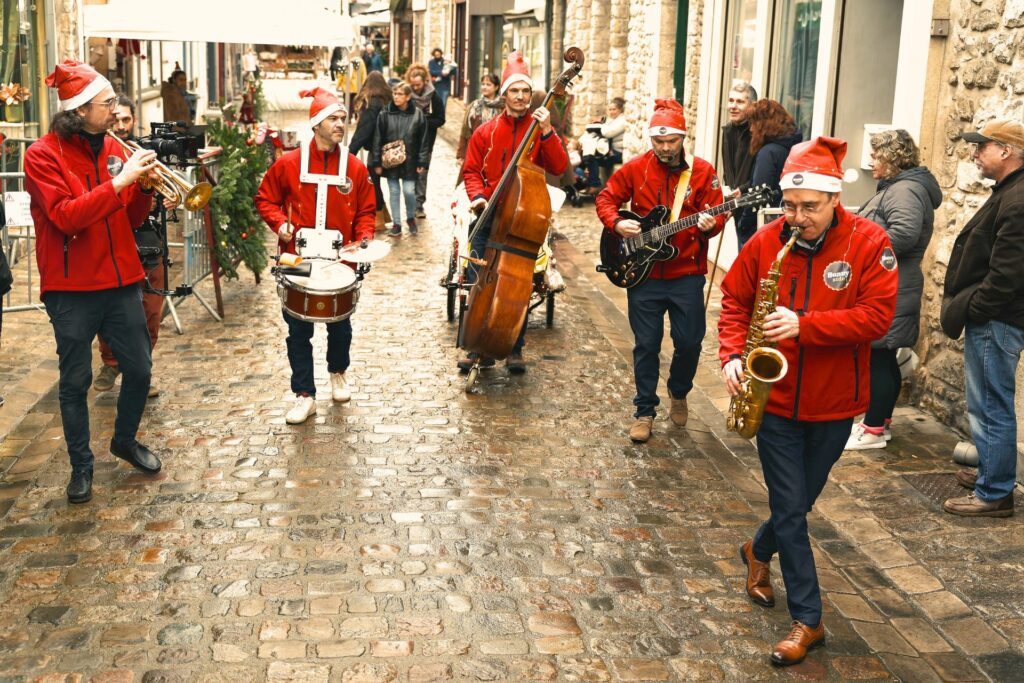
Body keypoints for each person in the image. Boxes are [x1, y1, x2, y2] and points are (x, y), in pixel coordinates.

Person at [719, 137, 897, 666]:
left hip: (836, 401)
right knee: (792, 510)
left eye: (809, 208)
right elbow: (734, 299)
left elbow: (877, 318)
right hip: (773, 402)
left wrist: (805, 326)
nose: (795, 218)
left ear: (835, 199)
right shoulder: (769, 240)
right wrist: (731, 354)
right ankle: (808, 619)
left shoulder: (870, 243)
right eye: (789, 206)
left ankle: (757, 549)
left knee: (797, 503)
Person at [24, 60, 166, 504]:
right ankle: (81, 466)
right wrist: (121, 180)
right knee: (75, 381)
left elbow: (128, 219)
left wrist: (142, 188)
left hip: (120, 278)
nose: (115, 110)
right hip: (71, 288)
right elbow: (67, 217)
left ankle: (124, 440)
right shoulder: (40, 155)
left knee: (139, 369)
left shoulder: (113, 147)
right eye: (107, 104)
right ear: (81, 110)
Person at [596, 99, 725, 443]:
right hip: (644, 275)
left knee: (690, 341)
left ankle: (679, 390)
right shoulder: (635, 169)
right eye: (659, 141)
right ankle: (644, 411)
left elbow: (717, 215)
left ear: (683, 137)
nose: (665, 148)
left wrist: (711, 224)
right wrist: (618, 223)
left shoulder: (703, 172)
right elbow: (605, 200)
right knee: (646, 344)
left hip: (687, 274)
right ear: (651, 139)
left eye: (672, 141)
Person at [254, 88, 376, 425]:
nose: (340, 124)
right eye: (333, 119)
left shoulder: (354, 167)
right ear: (316, 124)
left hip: (341, 260)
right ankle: (304, 395)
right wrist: (280, 226)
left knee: (340, 325)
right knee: (298, 330)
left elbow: (367, 211)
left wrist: (363, 240)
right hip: (298, 259)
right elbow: (265, 199)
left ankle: (338, 372)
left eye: (342, 119)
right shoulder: (288, 163)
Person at [459, 51, 568, 374]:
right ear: (504, 94)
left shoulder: (540, 129)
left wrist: (547, 132)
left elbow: (560, 167)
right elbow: (471, 171)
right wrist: (479, 198)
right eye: (514, 91)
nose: (520, 97)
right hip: (489, 212)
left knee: (519, 286)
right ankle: (474, 344)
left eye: (525, 91)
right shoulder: (486, 131)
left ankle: (514, 347)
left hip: (524, 218)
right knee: (477, 281)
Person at [940, 119, 1024, 518]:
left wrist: (976, 309)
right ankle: (994, 476)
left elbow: (1007, 273)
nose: (974, 153)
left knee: (990, 406)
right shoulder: (1011, 191)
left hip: (998, 319)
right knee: (989, 403)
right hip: (996, 316)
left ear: (1006, 150)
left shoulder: (1019, 197)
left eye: (982, 146)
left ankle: (994, 493)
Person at [845, 129, 940, 450]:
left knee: (879, 356)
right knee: (883, 356)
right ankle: (878, 424)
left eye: (875, 156)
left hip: (892, 285)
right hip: (891, 283)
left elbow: (904, 233)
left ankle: (872, 430)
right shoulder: (898, 187)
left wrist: (862, 252)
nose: (870, 161)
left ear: (892, 158)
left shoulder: (905, 190)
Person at [94, 95, 174, 399]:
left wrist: (171, 198)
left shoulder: (147, 152)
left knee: (150, 312)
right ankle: (111, 362)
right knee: (111, 310)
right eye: (117, 119)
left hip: (148, 238)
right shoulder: (100, 153)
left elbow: (169, 188)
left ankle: (142, 369)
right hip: (114, 239)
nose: (122, 125)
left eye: (127, 120)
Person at [734, 99, 802, 249]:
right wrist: (744, 189)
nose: (751, 129)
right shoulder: (792, 147)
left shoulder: (768, 153)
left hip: (762, 230)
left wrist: (743, 223)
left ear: (763, 124)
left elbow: (759, 193)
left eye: (753, 123)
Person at [370, 82, 428, 236]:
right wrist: (377, 161)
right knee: (394, 192)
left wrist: (422, 161)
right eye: (394, 93)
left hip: (410, 161)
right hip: (391, 162)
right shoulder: (385, 113)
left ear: (408, 97)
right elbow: (378, 138)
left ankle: (410, 217)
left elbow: (423, 140)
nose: (396, 97)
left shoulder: (417, 115)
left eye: (400, 94)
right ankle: (396, 224)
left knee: (409, 191)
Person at [349, 72, 394, 230]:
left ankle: (379, 218)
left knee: (373, 182)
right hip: (392, 147)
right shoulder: (389, 100)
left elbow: (364, 130)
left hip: (377, 149)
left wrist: (349, 152)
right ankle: (385, 215)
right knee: (390, 184)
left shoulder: (372, 103)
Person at [405, 64, 445, 219]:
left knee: (421, 174)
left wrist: (423, 122)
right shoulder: (406, 95)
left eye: (418, 85)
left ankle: (419, 205)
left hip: (426, 143)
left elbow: (441, 119)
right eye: (413, 85)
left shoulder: (433, 97)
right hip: (407, 142)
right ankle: (410, 204)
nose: (415, 88)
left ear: (425, 82)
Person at [721, 81, 758, 242]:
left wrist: (742, 189)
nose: (733, 106)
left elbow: (759, 174)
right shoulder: (727, 131)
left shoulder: (757, 133)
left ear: (752, 106)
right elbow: (729, 171)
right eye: (731, 100)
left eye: (740, 102)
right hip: (736, 206)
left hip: (754, 208)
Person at [456, 73, 503, 172]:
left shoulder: (502, 108)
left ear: (496, 87)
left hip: (495, 153)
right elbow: (466, 130)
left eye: (488, 84)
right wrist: (461, 155)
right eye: (483, 84)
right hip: (475, 152)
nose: (484, 87)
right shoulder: (474, 106)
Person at [581, 97, 627, 195]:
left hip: (617, 152)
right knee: (588, 156)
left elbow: (607, 133)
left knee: (593, 158)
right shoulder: (612, 120)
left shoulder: (622, 120)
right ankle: (591, 184)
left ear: (620, 110)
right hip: (609, 150)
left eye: (614, 109)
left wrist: (601, 125)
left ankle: (595, 185)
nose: (611, 112)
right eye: (610, 109)